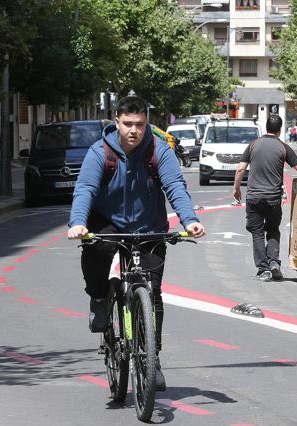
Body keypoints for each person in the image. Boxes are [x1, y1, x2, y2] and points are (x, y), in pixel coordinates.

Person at [67, 95, 205, 390]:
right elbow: (86, 189)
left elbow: (174, 186)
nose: (134, 130)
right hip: (108, 220)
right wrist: (78, 222)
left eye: (140, 124)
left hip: (149, 225)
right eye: (128, 124)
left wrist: (189, 220)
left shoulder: (158, 151)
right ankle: (100, 298)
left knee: (153, 293)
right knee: (97, 247)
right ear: (116, 121)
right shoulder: (99, 152)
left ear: (147, 124)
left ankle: (151, 358)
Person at [232, 114, 297, 282]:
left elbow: (240, 169)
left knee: (257, 233)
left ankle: (263, 269)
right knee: (273, 230)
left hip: (254, 198)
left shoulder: (253, 145)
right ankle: (274, 262)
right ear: (280, 130)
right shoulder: (283, 147)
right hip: (273, 199)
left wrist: (236, 189)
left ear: (266, 127)